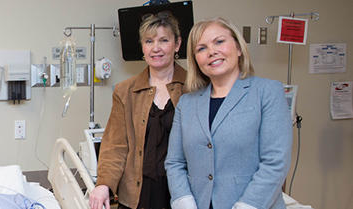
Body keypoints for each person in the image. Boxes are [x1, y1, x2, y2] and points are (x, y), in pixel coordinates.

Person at [164, 17, 293, 209]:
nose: (212, 52)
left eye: (219, 41)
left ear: (239, 48)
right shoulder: (187, 103)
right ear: (196, 60)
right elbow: (174, 163)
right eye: (201, 48)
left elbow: (275, 163)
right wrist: (184, 202)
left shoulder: (267, 92)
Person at [89, 11, 186, 209]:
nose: (156, 48)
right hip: (137, 193)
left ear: (177, 44)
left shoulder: (195, 88)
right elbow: (115, 146)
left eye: (164, 40)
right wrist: (103, 184)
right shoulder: (125, 91)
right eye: (149, 41)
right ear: (142, 47)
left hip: (182, 191)